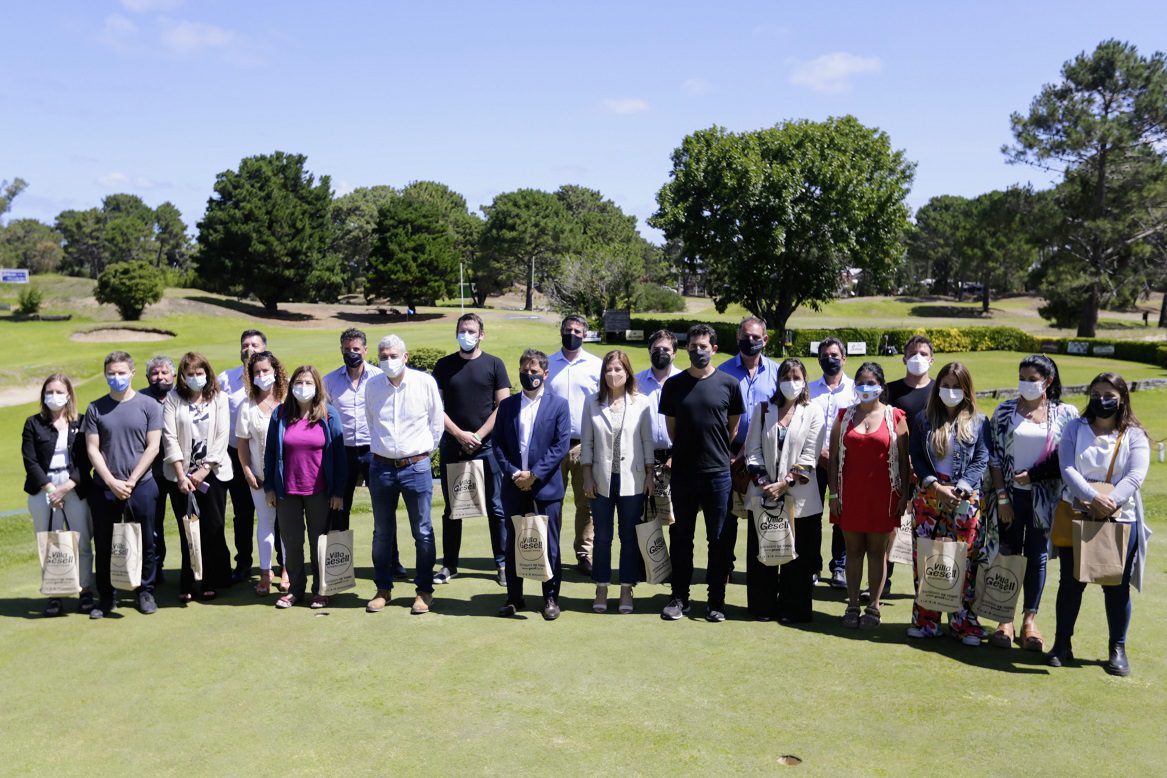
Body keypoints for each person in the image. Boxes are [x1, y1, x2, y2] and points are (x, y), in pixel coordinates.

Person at [1048, 373, 1150, 677]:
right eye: (1096, 393)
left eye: (1108, 394)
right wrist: (1092, 497)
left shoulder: (1134, 434)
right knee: (1071, 583)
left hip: (1120, 518)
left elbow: (1135, 475)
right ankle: (1062, 643)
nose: (1101, 400)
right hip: (1075, 512)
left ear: (1121, 398)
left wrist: (1110, 501)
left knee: (1115, 588)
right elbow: (1067, 467)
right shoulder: (1074, 428)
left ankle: (1117, 649)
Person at [986, 355, 1078, 651]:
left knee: (1037, 556)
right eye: (1022, 377)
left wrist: (1036, 475)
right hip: (1008, 497)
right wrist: (1002, 498)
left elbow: (1068, 456)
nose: (1025, 383)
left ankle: (1029, 620)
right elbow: (995, 457)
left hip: (1045, 500)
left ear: (1048, 381)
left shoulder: (1066, 414)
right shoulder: (1004, 412)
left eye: (1032, 378)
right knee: (1008, 552)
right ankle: (1004, 619)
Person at [659, 323, 744, 622]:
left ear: (714, 349)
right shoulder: (673, 385)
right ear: (686, 349)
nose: (698, 351)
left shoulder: (729, 385)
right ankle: (679, 598)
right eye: (693, 347)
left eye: (704, 347)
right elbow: (672, 430)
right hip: (683, 473)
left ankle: (716, 602)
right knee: (681, 537)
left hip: (718, 474)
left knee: (718, 540)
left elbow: (731, 428)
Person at [907, 362, 990, 644]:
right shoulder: (923, 418)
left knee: (963, 562)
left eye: (957, 387)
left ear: (966, 390)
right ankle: (927, 621)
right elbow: (917, 456)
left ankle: (962, 623)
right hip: (930, 496)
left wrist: (963, 487)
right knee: (928, 558)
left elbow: (981, 459)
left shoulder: (979, 421)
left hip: (965, 500)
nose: (950, 392)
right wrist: (934, 485)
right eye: (946, 386)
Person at [363, 335, 444, 616]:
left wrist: (421, 454)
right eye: (383, 356)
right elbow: (372, 423)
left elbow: (436, 423)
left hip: (416, 467)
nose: (388, 360)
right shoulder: (372, 386)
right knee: (382, 533)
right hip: (381, 467)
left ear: (405, 356)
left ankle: (424, 591)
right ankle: (383, 589)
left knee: (422, 531)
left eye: (393, 355)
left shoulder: (425, 383)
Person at [431, 313, 511, 586]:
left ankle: (502, 564)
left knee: (496, 507)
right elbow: (435, 408)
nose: (467, 335)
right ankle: (449, 565)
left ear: (481, 334)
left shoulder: (494, 364)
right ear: (456, 332)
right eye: (463, 330)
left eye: (472, 330)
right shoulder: (444, 366)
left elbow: (504, 406)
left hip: (486, 447)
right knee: (453, 508)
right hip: (453, 445)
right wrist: (459, 434)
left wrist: (476, 435)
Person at [828, 362, 910, 629]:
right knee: (853, 551)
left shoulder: (895, 417)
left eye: (872, 383)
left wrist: (904, 496)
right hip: (849, 495)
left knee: (877, 553)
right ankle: (852, 606)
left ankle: (873, 608)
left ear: (881, 387)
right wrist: (834, 494)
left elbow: (903, 463)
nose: (866, 387)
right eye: (861, 382)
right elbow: (833, 460)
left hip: (883, 497)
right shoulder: (843, 416)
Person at [744, 358, 825, 623]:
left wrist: (786, 482)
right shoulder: (764, 409)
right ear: (778, 380)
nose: (792, 382)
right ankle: (762, 607)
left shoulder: (813, 411)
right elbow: (752, 449)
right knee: (763, 553)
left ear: (804, 381)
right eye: (786, 376)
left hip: (799, 497)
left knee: (798, 558)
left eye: (797, 377)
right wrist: (765, 482)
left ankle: (793, 609)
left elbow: (811, 454)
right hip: (764, 494)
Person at [493, 349, 572, 620]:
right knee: (516, 542)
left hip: (546, 487)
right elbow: (498, 445)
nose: (529, 375)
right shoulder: (507, 405)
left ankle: (550, 597)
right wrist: (515, 473)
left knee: (548, 544)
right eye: (525, 370)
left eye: (535, 371)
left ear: (545, 374)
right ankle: (515, 597)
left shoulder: (558, 405)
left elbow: (560, 445)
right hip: (514, 485)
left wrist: (534, 475)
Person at [83, 351, 163, 618]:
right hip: (105, 487)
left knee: (147, 540)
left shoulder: (149, 405)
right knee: (105, 543)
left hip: (141, 484)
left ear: (132, 373)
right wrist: (111, 481)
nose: (116, 377)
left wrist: (130, 480)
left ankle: (145, 592)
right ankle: (107, 597)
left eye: (121, 372)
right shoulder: (95, 408)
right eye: (111, 373)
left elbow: (153, 447)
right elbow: (93, 450)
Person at [264, 365, 347, 609]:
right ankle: (296, 590)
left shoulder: (328, 414)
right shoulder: (280, 415)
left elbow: (339, 456)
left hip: (320, 491)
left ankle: (321, 590)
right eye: (299, 382)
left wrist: (338, 492)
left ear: (317, 386)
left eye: (308, 382)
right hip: (287, 491)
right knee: (291, 542)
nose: (303, 387)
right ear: (291, 386)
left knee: (318, 542)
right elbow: (270, 453)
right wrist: (269, 487)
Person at [580, 350, 654, 614]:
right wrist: (586, 475)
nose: (613, 374)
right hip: (600, 479)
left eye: (618, 369)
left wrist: (649, 473)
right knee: (602, 536)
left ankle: (626, 588)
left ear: (628, 372)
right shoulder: (591, 402)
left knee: (628, 537)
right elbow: (586, 442)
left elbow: (647, 441)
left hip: (632, 480)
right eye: (609, 370)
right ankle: (601, 586)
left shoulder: (642, 402)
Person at [162, 352, 233, 602]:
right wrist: (183, 475)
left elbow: (222, 437)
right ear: (182, 376)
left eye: (199, 373)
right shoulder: (173, 399)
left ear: (207, 374)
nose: (195, 378)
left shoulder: (220, 399)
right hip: (180, 476)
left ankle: (211, 579)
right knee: (188, 529)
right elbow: (169, 437)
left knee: (213, 527)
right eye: (190, 374)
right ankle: (190, 580)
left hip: (213, 474)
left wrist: (203, 470)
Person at [22, 374, 93, 616]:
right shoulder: (33, 423)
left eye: (59, 391)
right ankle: (55, 594)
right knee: (49, 543)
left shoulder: (81, 422)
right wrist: (52, 490)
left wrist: (66, 487)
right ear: (43, 395)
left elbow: (86, 461)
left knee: (82, 541)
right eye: (49, 391)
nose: (54, 396)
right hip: (43, 488)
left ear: (69, 395)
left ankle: (85, 591)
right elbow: (30, 461)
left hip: (74, 486)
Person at [718, 317, 780, 574]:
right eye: (745, 336)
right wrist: (730, 452)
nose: (750, 341)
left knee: (761, 512)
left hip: (765, 455)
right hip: (728, 450)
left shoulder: (777, 372)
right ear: (737, 337)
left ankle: (761, 571)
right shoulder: (722, 371)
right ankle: (724, 566)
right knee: (726, 515)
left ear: (765, 340)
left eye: (756, 337)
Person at [878, 335, 935, 599]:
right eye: (913, 353)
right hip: (893, 469)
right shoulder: (890, 390)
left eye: (923, 353)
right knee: (889, 527)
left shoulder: (939, 391)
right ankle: (881, 583)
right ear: (903, 358)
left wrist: (921, 465)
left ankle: (926, 586)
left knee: (927, 529)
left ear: (932, 359)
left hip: (930, 473)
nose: (918, 358)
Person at [547, 314, 602, 574]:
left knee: (586, 503)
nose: (572, 334)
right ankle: (550, 552)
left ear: (585, 334)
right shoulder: (546, 363)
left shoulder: (596, 365)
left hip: (585, 444)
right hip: (552, 445)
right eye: (568, 329)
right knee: (550, 501)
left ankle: (584, 554)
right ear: (560, 331)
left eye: (578, 331)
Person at [236, 351, 288, 595]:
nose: (262, 375)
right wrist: (247, 471)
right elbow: (243, 443)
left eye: (266, 370)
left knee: (288, 525)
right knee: (266, 524)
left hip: (289, 478)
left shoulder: (289, 400)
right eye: (257, 372)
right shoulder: (247, 406)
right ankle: (266, 573)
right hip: (259, 477)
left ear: (275, 371)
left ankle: (288, 569)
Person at [217, 329, 267, 583]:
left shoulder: (274, 378)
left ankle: (281, 562)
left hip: (269, 456)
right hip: (236, 455)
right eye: (245, 344)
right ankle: (244, 563)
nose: (249, 349)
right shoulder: (225, 379)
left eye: (255, 345)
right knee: (242, 512)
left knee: (275, 512)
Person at [809, 337, 856, 589]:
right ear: (819, 359)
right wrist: (819, 453)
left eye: (835, 355)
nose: (830, 359)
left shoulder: (854, 390)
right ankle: (812, 565)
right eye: (825, 355)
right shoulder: (809, 389)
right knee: (812, 515)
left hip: (844, 464)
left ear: (844, 358)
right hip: (813, 462)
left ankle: (840, 565)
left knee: (841, 516)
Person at [634, 330, 682, 526]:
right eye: (656, 349)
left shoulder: (684, 381)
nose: (661, 352)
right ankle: (646, 559)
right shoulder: (635, 383)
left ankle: (677, 558)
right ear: (648, 351)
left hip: (677, 460)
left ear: (675, 353)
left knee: (678, 520)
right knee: (645, 520)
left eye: (666, 349)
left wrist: (677, 455)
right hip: (645, 460)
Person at [141, 355, 177, 585]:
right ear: (147, 377)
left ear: (173, 375)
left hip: (179, 471)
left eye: (164, 372)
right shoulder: (140, 399)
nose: (160, 377)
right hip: (151, 473)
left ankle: (193, 569)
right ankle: (155, 568)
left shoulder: (181, 396)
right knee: (153, 524)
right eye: (155, 373)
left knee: (188, 520)